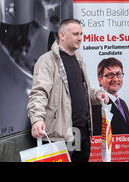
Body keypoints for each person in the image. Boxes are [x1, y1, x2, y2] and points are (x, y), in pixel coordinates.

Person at [27, 19, 108, 162]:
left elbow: (83, 91)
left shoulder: (78, 59)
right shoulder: (47, 61)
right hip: (60, 134)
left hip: (80, 131)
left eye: (81, 34)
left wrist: (97, 95)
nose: (80, 38)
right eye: (76, 34)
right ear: (62, 35)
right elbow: (39, 92)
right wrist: (37, 119)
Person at [92, 58, 129, 136]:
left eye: (118, 74)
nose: (115, 79)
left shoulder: (122, 103)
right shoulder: (98, 104)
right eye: (110, 75)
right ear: (100, 80)